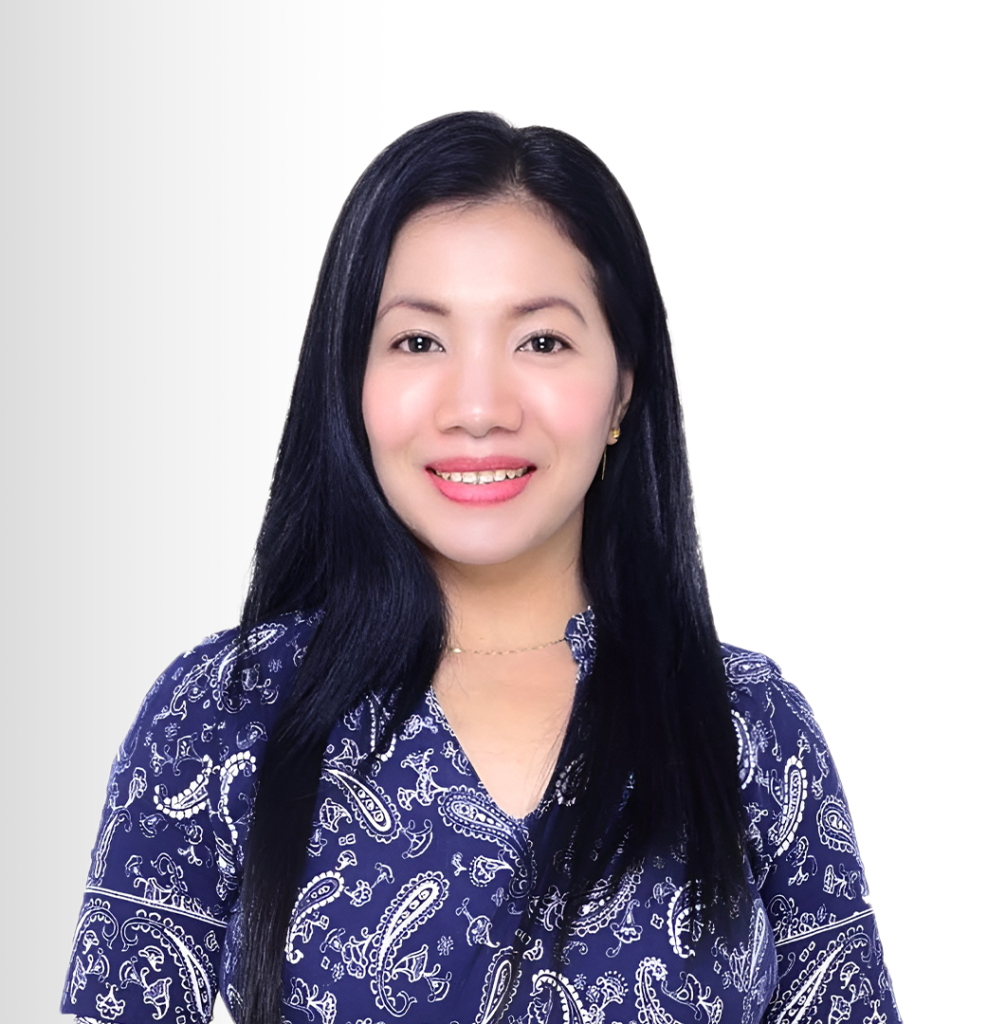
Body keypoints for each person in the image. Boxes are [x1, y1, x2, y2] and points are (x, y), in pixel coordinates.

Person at [61, 112, 900, 1024]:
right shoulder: (221, 718)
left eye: (540, 341)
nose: (477, 407)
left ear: (622, 386)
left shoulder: (748, 728)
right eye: (419, 341)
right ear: (351, 382)